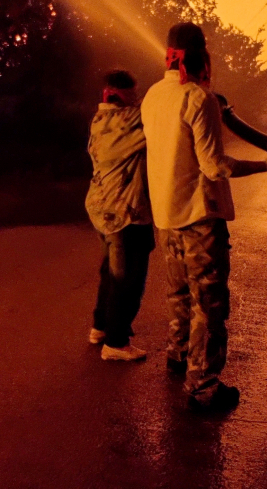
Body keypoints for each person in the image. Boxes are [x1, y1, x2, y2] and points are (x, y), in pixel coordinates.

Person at [140, 22, 267, 413]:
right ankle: (203, 384)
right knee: (208, 304)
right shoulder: (197, 98)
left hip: (167, 216)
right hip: (199, 218)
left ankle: (179, 355)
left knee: (178, 293)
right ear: (201, 57)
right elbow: (215, 166)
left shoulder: (153, 95)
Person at [85, 70, 155, 361]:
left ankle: (100, 327)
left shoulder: (99, 119)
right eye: (134, 93)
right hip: (125, 211)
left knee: (111, 272)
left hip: (101, 207)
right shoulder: (130, 120)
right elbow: (162, 115)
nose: (137, 98)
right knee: (128, 278)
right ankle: (116, 342)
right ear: (125, 94)